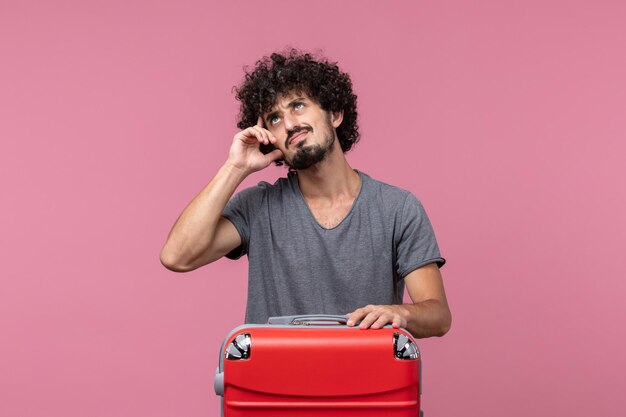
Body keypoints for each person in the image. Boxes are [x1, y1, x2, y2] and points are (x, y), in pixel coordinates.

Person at [160, 49, 451, 338]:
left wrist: (400, 313)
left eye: (298, 106)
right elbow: (177, 256)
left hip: (366, 381)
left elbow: (438, 316)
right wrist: (235, 167)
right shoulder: (258, 206)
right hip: (272, 382)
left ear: (335, 114)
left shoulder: (397, 208)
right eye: (274, 118)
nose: (288, 124)